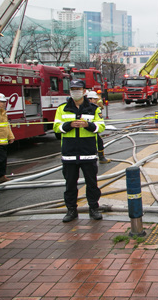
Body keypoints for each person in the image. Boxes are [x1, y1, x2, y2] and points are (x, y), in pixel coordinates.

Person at [54, 80, 105, 222]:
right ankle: (71, 210)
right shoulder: (62, 109)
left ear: (84, 91)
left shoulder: (93, 109)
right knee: (70, 184)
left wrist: (87, 125)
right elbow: (56, 128)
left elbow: (100, 127)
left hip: (88, 152)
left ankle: (94, 208)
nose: (75, 91)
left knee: (92, 184)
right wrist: (69, 125)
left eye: (78, 89)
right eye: (73, 89)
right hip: (69, 154)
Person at [86, 90, 111, 164]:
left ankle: (101, 158)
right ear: (89, 99)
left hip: (93, 129)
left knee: (99, 142)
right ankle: (100, 158)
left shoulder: (94, 107)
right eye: (95, 99)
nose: (96, 101)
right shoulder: (87, 108)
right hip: (87, 131)